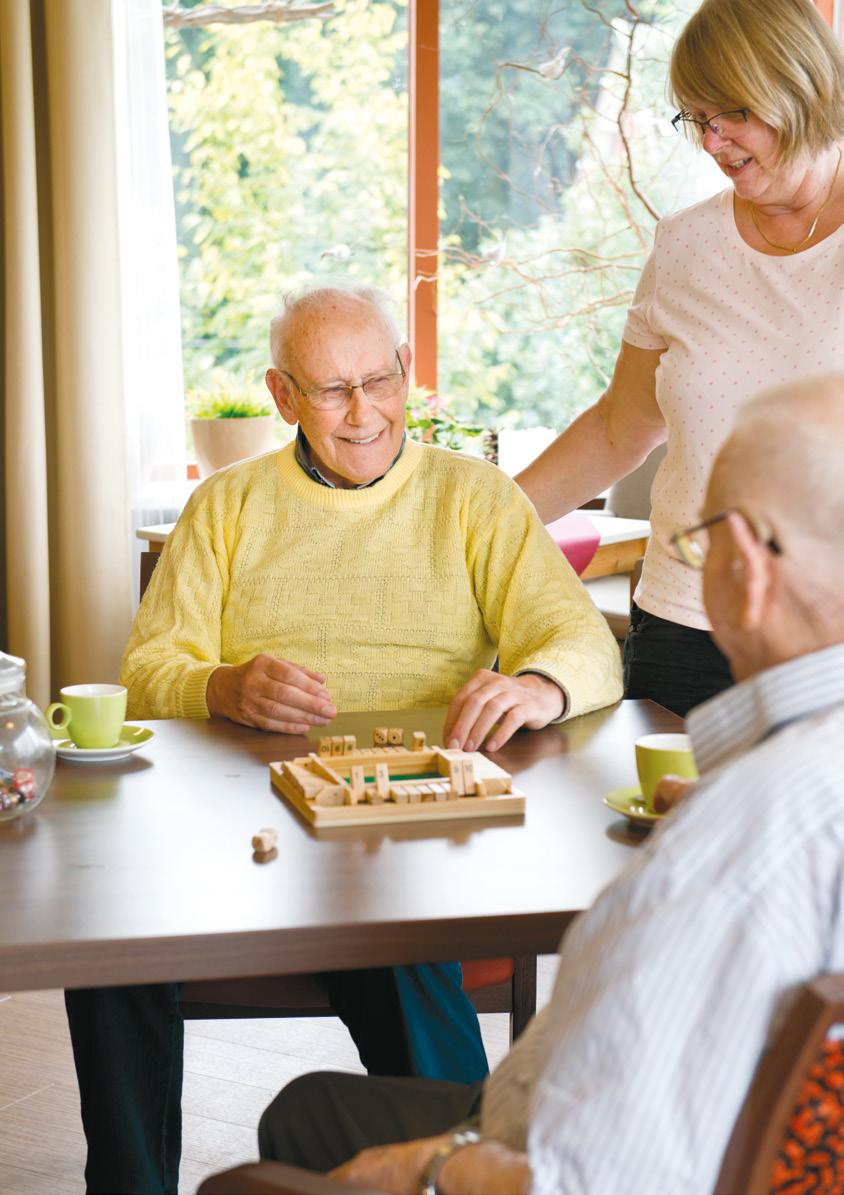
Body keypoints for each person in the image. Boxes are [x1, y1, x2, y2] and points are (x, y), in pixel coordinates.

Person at [64, 281, 622, 1195]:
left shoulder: (475, 498)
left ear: (406, 372)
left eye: (378, 379)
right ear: (282, 396)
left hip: (410, 832)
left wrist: (537, 684)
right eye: (330, 390)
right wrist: (221, 683)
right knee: (112, 945)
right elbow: (148, 671)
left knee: (400, 942)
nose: (363, 412)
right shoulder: (228, 505)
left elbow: (583, 644)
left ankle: (457, 1166)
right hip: (237, 840)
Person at [258, 373, 844, 1194]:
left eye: (701, 542)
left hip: (545, 1156)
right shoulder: (773, 801)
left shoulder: (743, 834)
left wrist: (433, 1164)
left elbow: (592, 1180)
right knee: (316, 1107)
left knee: (309, 1127)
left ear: (745, 566)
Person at [516, 0, 844, 718]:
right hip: (682, 626)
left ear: (800, 86)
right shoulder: (687, 245)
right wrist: (488, 520)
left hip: (828, 642)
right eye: (697, 119)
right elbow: (618, 428)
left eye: (731, 114)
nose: (713, 142)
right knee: (660, 828)